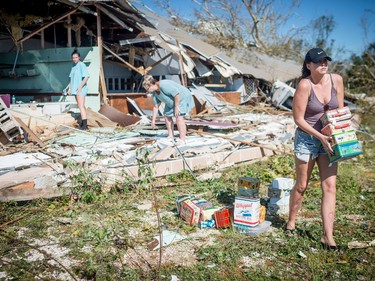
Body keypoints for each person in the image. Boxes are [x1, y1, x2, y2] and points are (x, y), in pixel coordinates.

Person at [286, 48, 344, 250]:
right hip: (308, 139)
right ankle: (291, 222)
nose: (323, 64)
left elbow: (340, 111)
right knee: (302, 185)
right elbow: (298, 119)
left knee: (330, 187)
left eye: (325, 60)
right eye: (318, 61)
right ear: (309, 65)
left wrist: (343, 129)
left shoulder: (336, 80)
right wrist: (321, 136)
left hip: (330, 139)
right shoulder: (304, 85)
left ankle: (328, 236)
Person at [142, 75, 194, 144]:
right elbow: (156, 107)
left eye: (148, 89)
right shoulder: (155, 93)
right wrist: (153, 121)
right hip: (171, 102)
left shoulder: (163, 85)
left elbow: (176, 94)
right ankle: (170, 136)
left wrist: (176, 107)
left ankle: (182, 139)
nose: (148, 91)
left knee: (178, 117)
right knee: (166, 116)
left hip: (181, 98)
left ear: (152, 85)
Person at [67, 49, 90, 130]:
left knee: (81, 106)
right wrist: (69, 88)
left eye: (76, 57)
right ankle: (83, 124)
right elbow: (71, 78)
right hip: (75, 89)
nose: (74, 59)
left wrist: (80, 86)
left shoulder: (82, 65)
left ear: (79, 57)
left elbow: (86, 77)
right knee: (80, 106)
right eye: (73, 57)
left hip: (80, 89)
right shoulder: (73, 66)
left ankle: (85, 125)